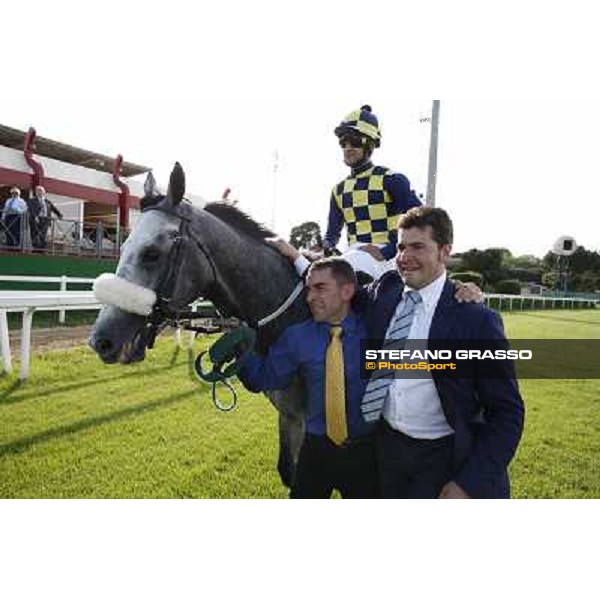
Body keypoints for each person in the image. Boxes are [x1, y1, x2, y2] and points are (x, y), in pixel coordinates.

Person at [360, 207, 525, 499]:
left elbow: (507, 412)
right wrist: (296, 258)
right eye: (401, 247)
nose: (404, 256)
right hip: (385, 450)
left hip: (443, 455)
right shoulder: (385, 290)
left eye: (417, 246)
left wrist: (468, 483)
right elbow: (337, 288)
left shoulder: (476, 320)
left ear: (444, 251)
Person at [237, 257, 380, 499]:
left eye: (320, 288)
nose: (310, 297)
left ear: (347, 291)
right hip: (315, 451)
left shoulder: (375, 332)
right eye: (308, 289)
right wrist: (240, 350)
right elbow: (262, 380)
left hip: (366, 454)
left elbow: (435, 361)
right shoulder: (296, 338)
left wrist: (461, 293)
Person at [323, 105, 422, 281]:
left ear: (370, 144)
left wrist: (388, 251)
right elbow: (332, 233)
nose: (347, 147)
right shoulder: (338, 190)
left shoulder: (391, 179)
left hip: (388, 259)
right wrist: (326, 246)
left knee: (345, 267)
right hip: (354, 256)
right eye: (343, 142)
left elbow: (421, 220)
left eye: (354, 141)